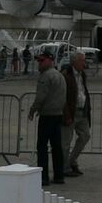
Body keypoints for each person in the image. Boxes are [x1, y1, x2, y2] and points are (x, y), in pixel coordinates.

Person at [29, 49, 68, 186]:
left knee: (42, 147)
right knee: (57, 147)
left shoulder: (46, 76)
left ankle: (43, 176)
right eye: (38, 61)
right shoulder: (59, 75)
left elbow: (41, 96)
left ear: (50, 60)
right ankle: (59, 175)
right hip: (58, 114)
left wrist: (33, 109)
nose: (39, 63)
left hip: (47, 115)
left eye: (42, 60)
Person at [62, 49, 92, 177]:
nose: (84, 63)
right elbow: (62, 97)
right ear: (74, 61)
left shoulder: (82, 75)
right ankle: (64, 167)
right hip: (71, 112)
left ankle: (71, 161)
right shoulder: (65, 75)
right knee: (65, 142)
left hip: (82, 112)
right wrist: (67, 114)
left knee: (85, 135)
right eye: (82, 61)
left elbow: (83, 91)